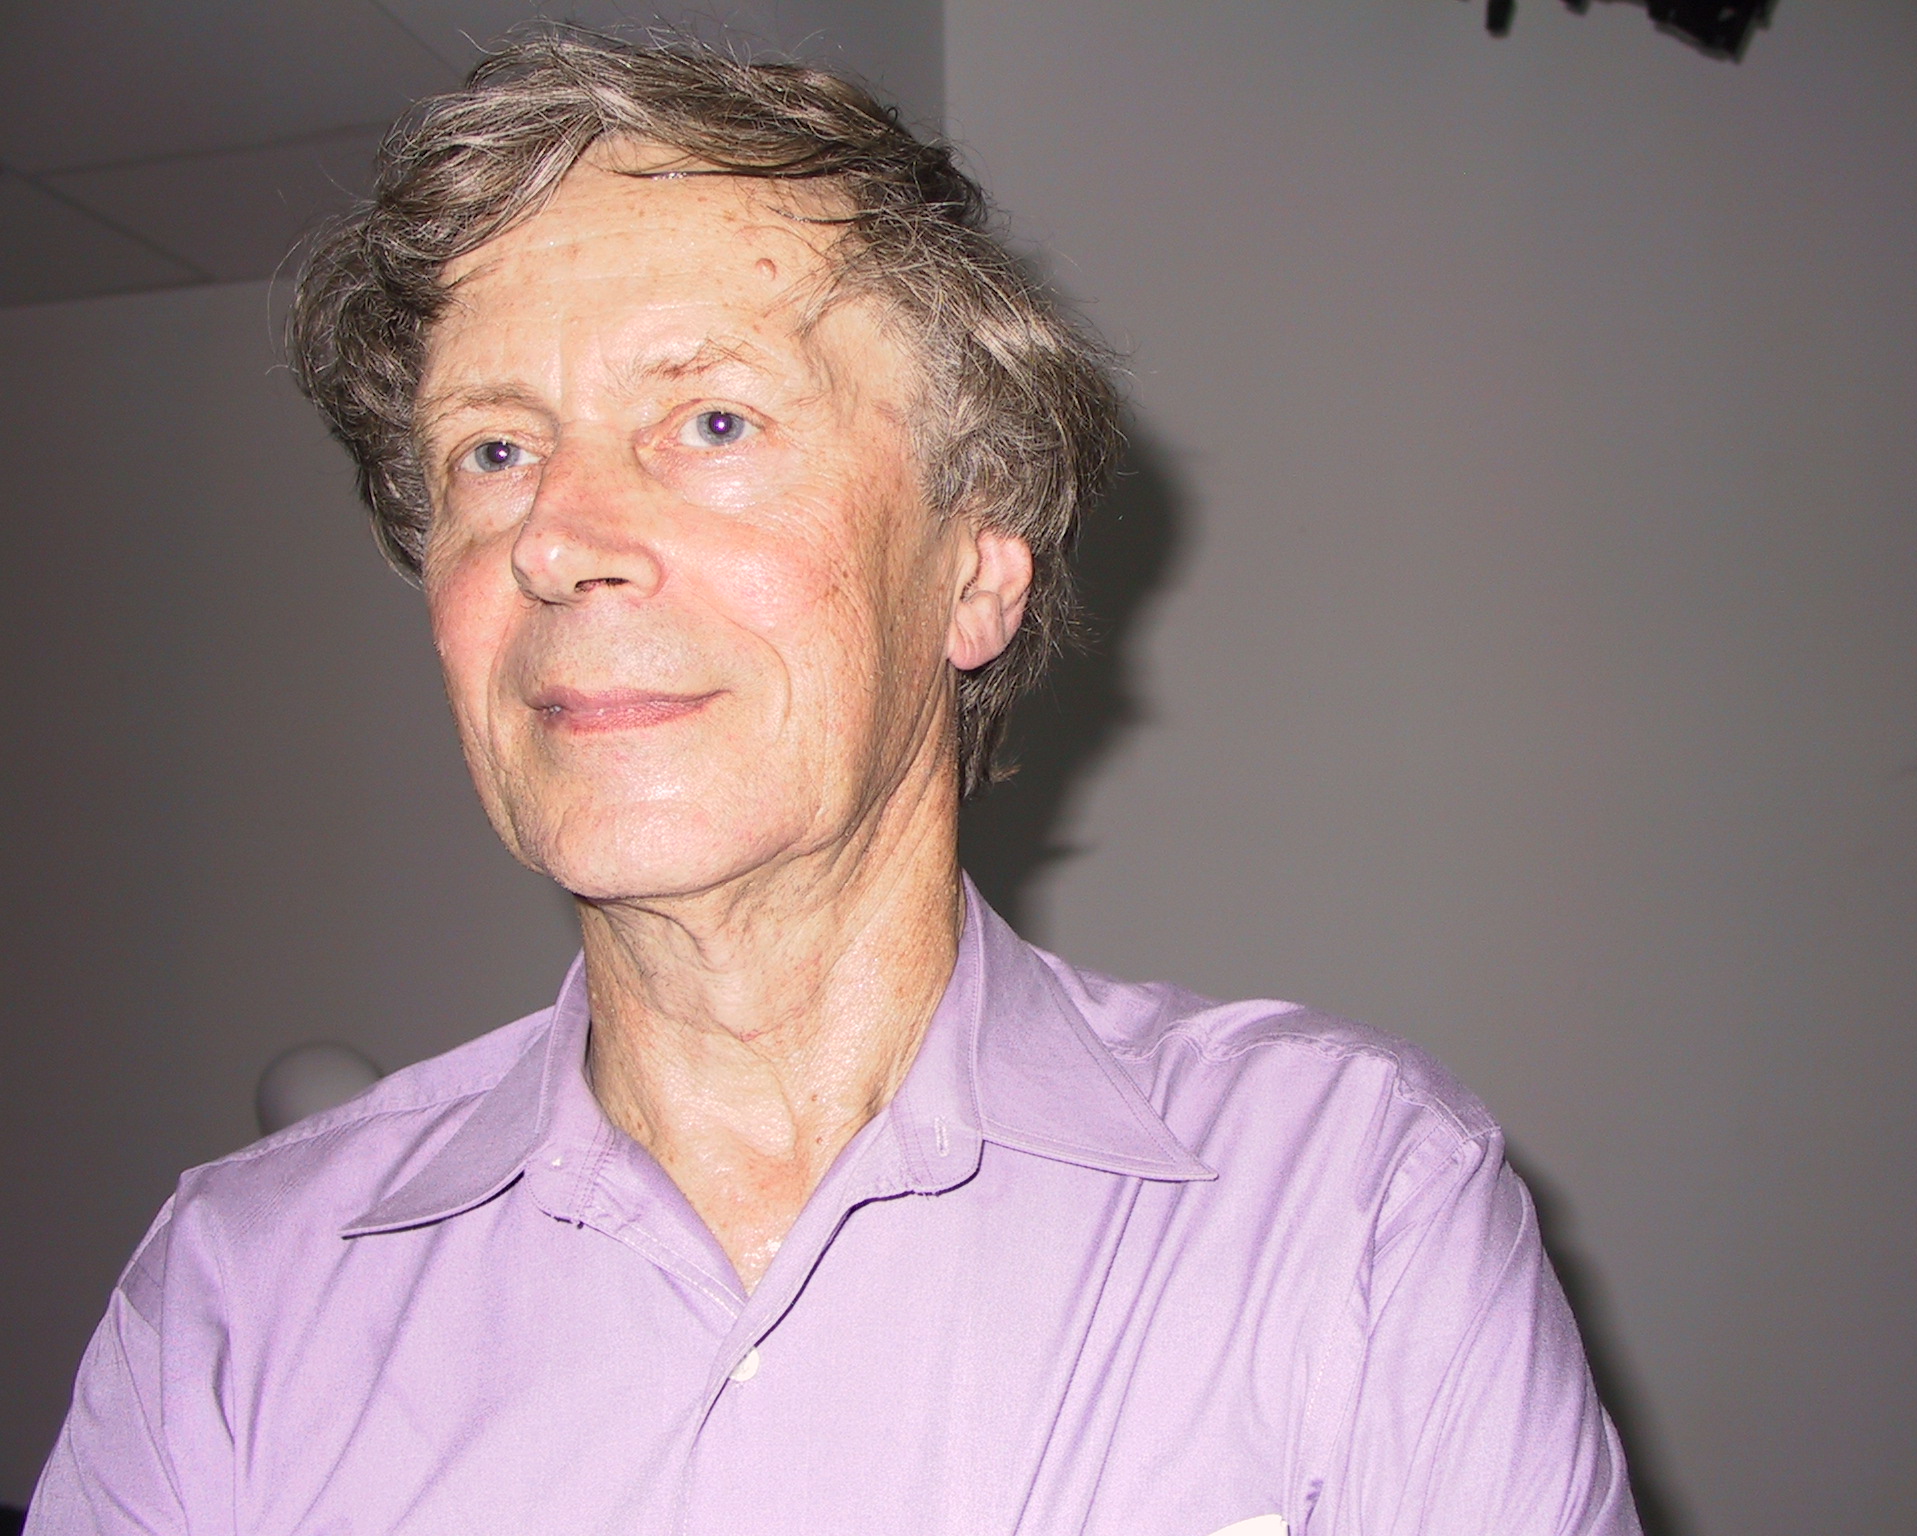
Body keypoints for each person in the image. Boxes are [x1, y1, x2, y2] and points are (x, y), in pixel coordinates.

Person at [29, 33, 1640, 1536]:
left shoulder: (1348, 1208)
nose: (556, 539)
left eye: (713, 420)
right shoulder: (237, 1302)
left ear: (974, 573)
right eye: (494, 452)